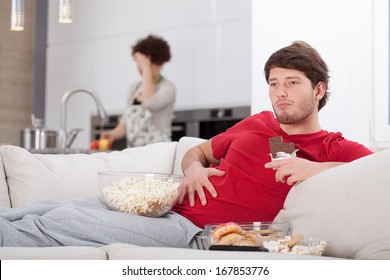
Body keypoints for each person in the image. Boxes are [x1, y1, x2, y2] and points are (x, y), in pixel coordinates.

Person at [0, 41, 372, 248]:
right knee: (44, 208)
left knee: (57, 223)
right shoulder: (257, 122)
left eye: (292, 82)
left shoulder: (331, 147)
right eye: (274, 83)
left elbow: (379, 171)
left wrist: (316, 169)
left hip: (194, 231)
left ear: (318, 90)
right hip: (163, 203)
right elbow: (199, 150)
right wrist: (193, 167)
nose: (280, 93)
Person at [101, 34, 176, 147]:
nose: (141, 68)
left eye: (146, 64)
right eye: (139, 64)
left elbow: (148, 102)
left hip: (159, 151)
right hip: (135, 153)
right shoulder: (134, 88)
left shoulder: (168, 88)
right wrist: (112, 134)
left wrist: (146, 68)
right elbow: (124, 124)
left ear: (160, 64)